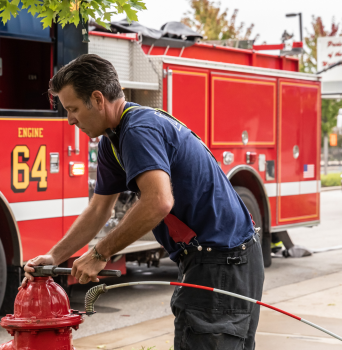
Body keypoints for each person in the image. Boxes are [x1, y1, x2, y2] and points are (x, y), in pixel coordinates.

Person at [19, 54, 260, 349]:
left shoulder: (138, 129)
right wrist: (54, 257)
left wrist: (99, 253)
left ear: (97, 99)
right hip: (218, 259)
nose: (70, 119)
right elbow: (98, 209)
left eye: (73, 109)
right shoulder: (113, 141)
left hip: (222, 262)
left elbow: (158, 201)